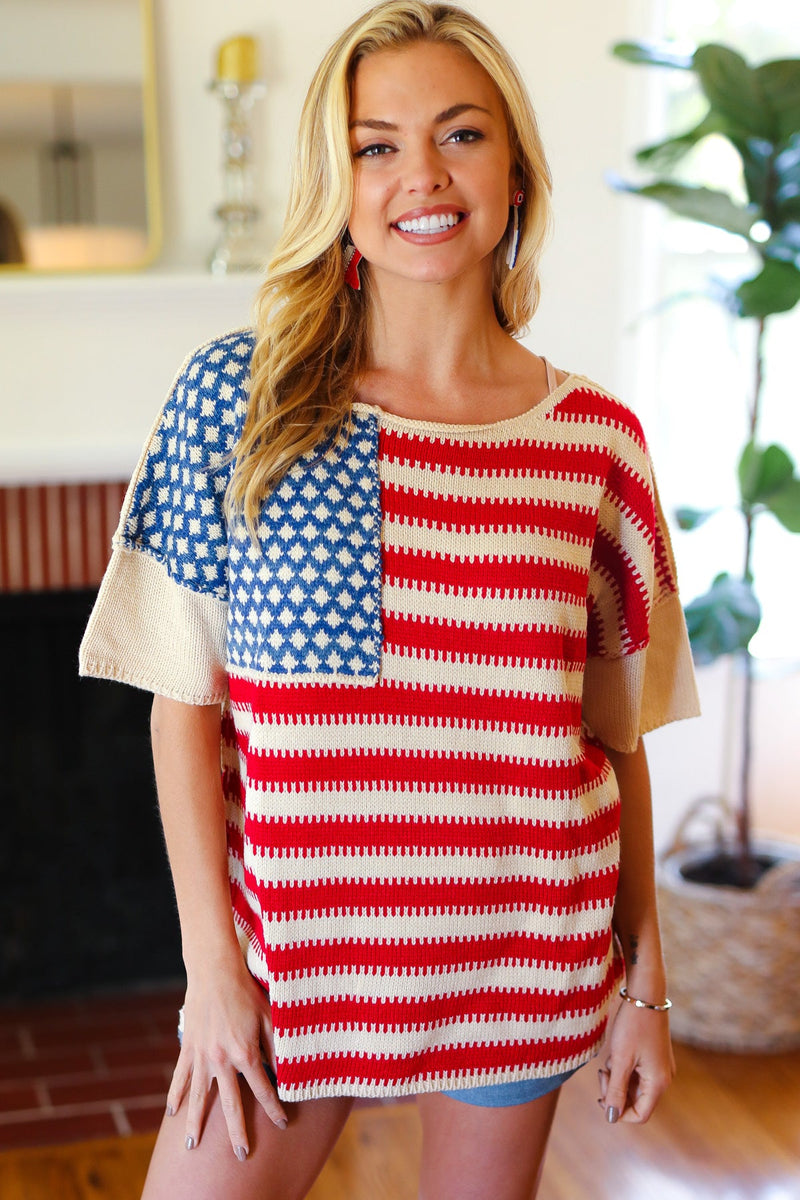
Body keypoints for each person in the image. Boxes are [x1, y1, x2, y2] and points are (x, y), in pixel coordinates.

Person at [80, 3, 700, 1196]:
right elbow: (181, 708)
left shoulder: (596, 443)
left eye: (460, 133)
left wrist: (645, 988)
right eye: (376, 145)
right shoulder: (240, 402)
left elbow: (613, 741)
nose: (421, 173)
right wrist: (212, 975)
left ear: (514, 169)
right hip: (292, 976)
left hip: (520, 969)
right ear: (339, 181)